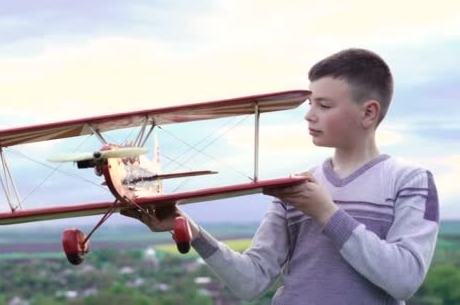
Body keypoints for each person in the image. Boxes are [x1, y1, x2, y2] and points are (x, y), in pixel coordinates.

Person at [121, 48, 439, 304]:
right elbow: (251, 282)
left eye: (324, 105)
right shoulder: (297, 187)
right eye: (311, 103)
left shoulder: (411, 180)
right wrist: (191, 232)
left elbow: (405, 280)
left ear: (368, 112)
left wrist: (326, 213)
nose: (309, 114)